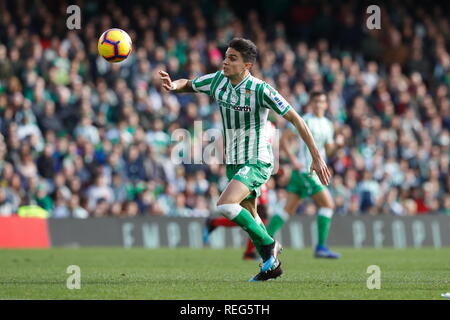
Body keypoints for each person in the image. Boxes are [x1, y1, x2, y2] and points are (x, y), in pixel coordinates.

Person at [159, 38, 331, 281]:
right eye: (226, 56)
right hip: (234, 161)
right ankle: (271, 265)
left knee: (226, 205)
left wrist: (316, 157)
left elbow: (297, 119)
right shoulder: (218, 80)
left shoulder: (262, 90)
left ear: (247, 65)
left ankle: (270, 244)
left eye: (232, 58)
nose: (225, 62)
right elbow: (189, 84)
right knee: (251, 217)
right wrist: (173, 85)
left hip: (257, 160)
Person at [265, 91, 342, 258]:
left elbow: (329, 150)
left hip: (310, 172)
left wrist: (338, 145)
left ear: (326, 104)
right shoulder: (305, 120)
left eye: (322, 101)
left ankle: (262, 243)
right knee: (328, 205)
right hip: (306, 171)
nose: (319, 105)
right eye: (316, 101)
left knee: (287, 209)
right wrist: (293, 159)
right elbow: (284, 139)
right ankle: (320, 247)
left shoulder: (327, 124)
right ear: (311, 104)